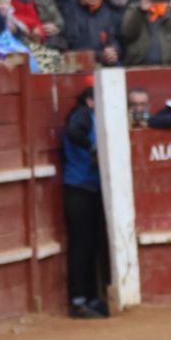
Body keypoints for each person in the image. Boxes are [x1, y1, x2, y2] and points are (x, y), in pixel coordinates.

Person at [61, 86, 109, 319]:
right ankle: (79, 301)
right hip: (79, 188)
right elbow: (73, 132)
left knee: (90, 245)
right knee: (82, 246)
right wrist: (92, 148)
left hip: (89, 187)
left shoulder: (88, 114)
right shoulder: (81, 114)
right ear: (91, 101)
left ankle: (90, 298)